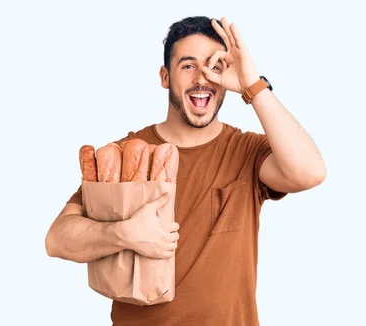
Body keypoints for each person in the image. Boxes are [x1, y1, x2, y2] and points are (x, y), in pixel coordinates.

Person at [45, 15, 326, 326]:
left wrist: (253, 84)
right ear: (165, 77)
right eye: (188, 65)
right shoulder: (126, 153)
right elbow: (57, 239)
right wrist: (124, 234)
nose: (202, 78)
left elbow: (310, 172)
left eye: (214, 66)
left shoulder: (247, 151)